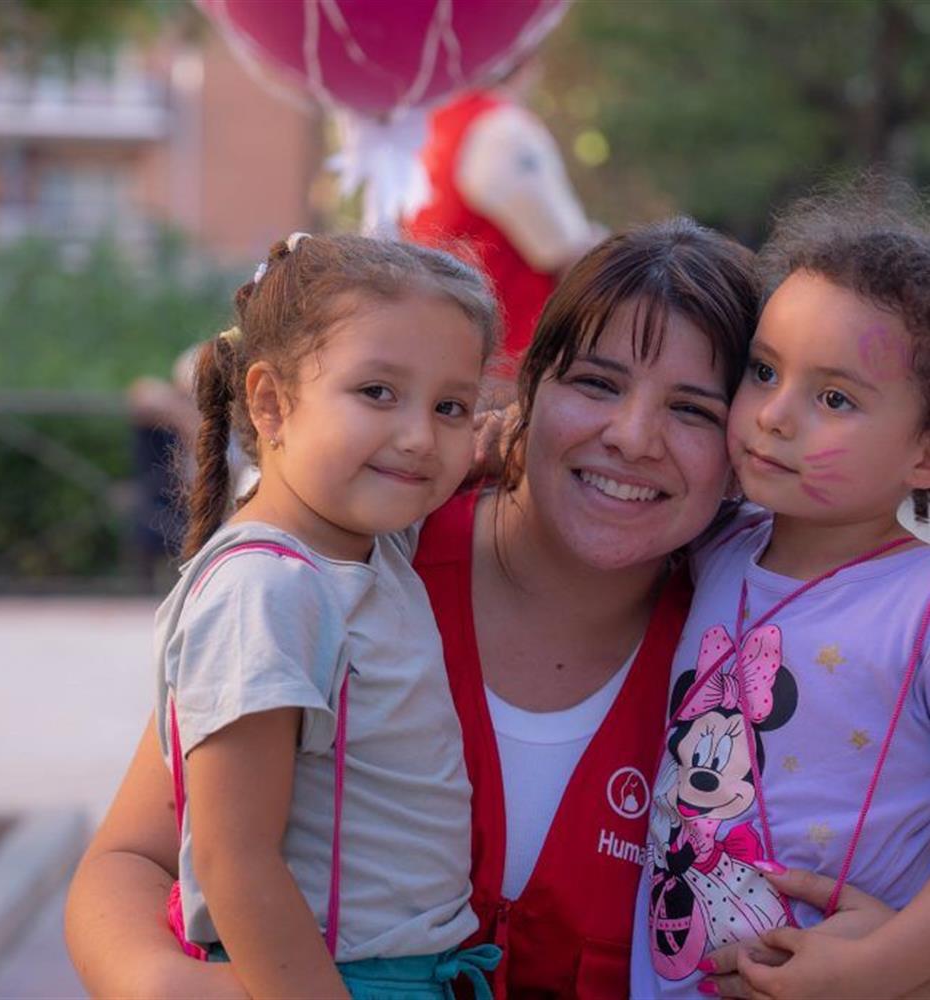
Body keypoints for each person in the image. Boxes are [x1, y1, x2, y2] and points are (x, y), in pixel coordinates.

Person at [65, 218, 759, 998]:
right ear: (529, 392)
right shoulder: (363, 557)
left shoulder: (759, 648)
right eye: (596, 383)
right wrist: (161, 985)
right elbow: (135, 856)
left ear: (747, 446)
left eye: (693, 410)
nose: (632, 438)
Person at [149, 231, 503, 998]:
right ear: (272, 402)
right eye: (378, 392)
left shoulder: (364, 547)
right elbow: (234, 861)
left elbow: (455, 457)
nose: (417, 438)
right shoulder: (267, 590)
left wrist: (498, 446)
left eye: (451, 405)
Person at [633, 179, 930, 999]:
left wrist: (869, 971)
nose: (773, 415)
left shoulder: (920, 603)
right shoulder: (715, 543)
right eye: (764, 371)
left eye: (835, 397)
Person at [405, 59, 606, 364]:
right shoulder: (502, 129)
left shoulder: (432, 123)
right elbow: (569, 255)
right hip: (507, 360)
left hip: (445, 347)